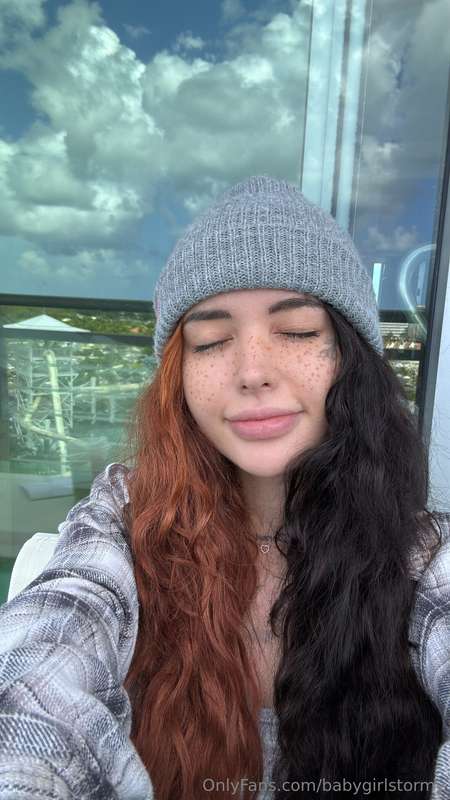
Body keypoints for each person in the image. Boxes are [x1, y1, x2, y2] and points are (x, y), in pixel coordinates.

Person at [0, 175, 449, 800]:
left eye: (297, 330)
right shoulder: (123, 524)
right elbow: (41, 669)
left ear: (349, 359)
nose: (252, 371)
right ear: (178, 374)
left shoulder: (421, 554)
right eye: (210, 341)